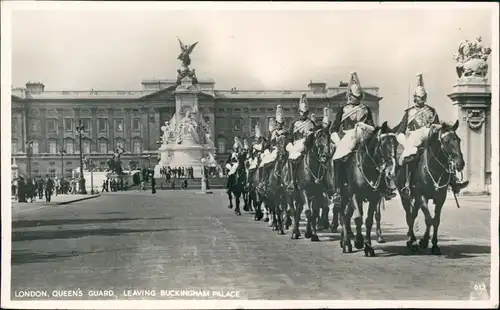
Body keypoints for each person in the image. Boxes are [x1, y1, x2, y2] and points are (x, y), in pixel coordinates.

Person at [396, 73, 469, 194]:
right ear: (415, 97)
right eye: (419, 97)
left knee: (445, 154)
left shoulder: (431, 111)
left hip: (430, 141)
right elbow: (401, 130)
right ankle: (407, 184)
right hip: (414, 143)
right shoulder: (409, 113)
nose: (421, 100)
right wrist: (404, 140)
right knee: (409, 159)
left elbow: (437, 127)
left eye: (423, 97)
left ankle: (453, 182)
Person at [329, 72, 397, 200]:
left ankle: (384, 187)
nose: (357, 99)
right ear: (350, 95)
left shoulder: (366, 109)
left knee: (378, 155)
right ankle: (338, 190)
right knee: (337, 158)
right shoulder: (343, 110)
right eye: (355, 96)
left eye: (359, 96)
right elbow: (334, 128)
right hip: (348, 138)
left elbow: (371, 125)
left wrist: (364, 127)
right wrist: (338, 141)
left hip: (364, 136)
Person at [286, 93, 316, 189]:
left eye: (306, 112)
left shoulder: (311, 123)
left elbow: (314, 137)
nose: (304, 114)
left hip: (309, 146)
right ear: (299, 112)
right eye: (302, 112)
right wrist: (290, 145)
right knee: (293, 159)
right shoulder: (294, 124)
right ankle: (292, 180)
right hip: (297, 146)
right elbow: (290, 137)